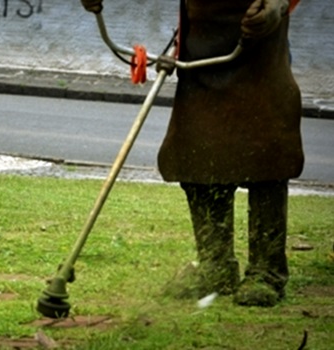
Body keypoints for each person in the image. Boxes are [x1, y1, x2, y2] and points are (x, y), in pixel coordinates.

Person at [80, 0, 303, 307]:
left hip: (260, 52)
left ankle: (267, 271)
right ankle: (216, 266)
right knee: (197, 157)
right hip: (201, 56)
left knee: (265, 158)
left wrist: (277, 5)